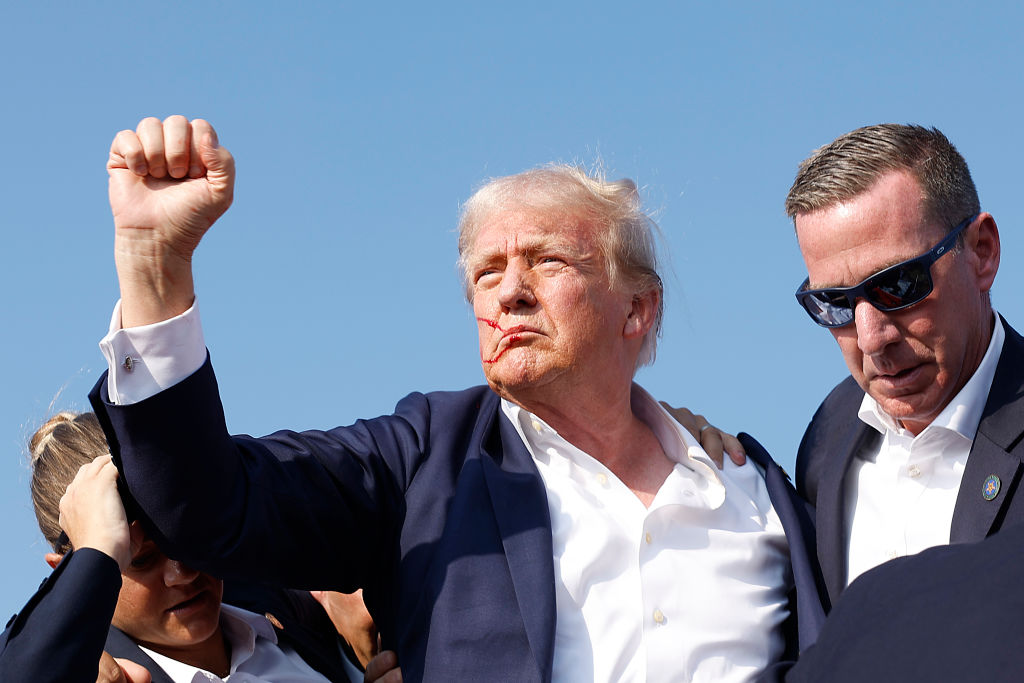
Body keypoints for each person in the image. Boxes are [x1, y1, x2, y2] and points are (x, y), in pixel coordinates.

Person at [90, 115, 825, 682]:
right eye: (486, 272)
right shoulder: (421, 464)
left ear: (636, 309)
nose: (508, 291)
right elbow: (205, 503)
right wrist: (155, 271)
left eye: (546, 259)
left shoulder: (758, 489)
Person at [787, 123, 1024, 606]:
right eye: (833, 303)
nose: (872, 338)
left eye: (898, 285)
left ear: (982, 252)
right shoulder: (825, 442)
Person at [0, 411, 366, 682]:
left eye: (189, 537)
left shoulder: (297, 607)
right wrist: (96, 555)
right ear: (69, 573)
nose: (183, 572)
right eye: (139, 559)